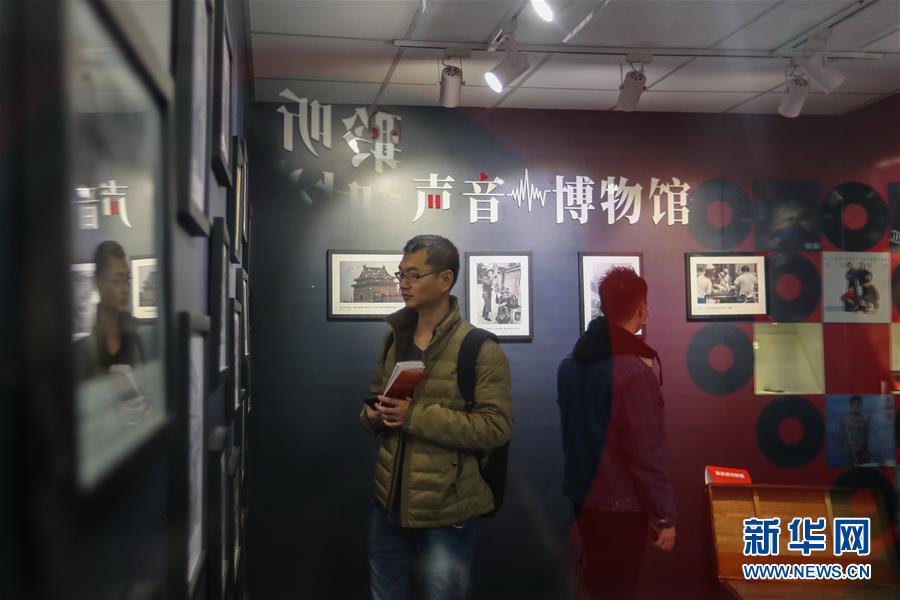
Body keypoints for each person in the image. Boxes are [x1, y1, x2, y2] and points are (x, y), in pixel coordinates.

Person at [359, 235, 513, 600]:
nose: (403, 284)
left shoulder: (480, 348)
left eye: (414, 275)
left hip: (447, 514)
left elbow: (496, 427)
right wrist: (373, 415)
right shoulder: (394, 338)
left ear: (446, 279)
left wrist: (414, 415)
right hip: (387, 507)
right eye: (400, 274)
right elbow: (374, 399)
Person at [557, 267, 676, 600]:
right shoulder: (634, 372)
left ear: (603, 307)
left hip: (583, 496)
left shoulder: (571, 363)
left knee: (595, 581)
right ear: (642, 310)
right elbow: (645, 452)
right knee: (616, 587)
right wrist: (664, 516)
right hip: (621, 505)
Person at [73, 240, 144, 381]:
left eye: (127, 280)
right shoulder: (81, 350)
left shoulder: (136, 342)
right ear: (98, 283)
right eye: (117, 280)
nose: (126, 289)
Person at [838, 396, 871, 466]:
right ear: (850, 405)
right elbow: (841, 437)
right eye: (854, 404)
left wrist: (867, 452)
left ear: (861, 406)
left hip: (863, 452)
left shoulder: (865, 420)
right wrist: (840, 450)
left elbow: (866, 438)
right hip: (852, 452)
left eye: (858, 404)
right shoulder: (845, 420)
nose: (856, 406)